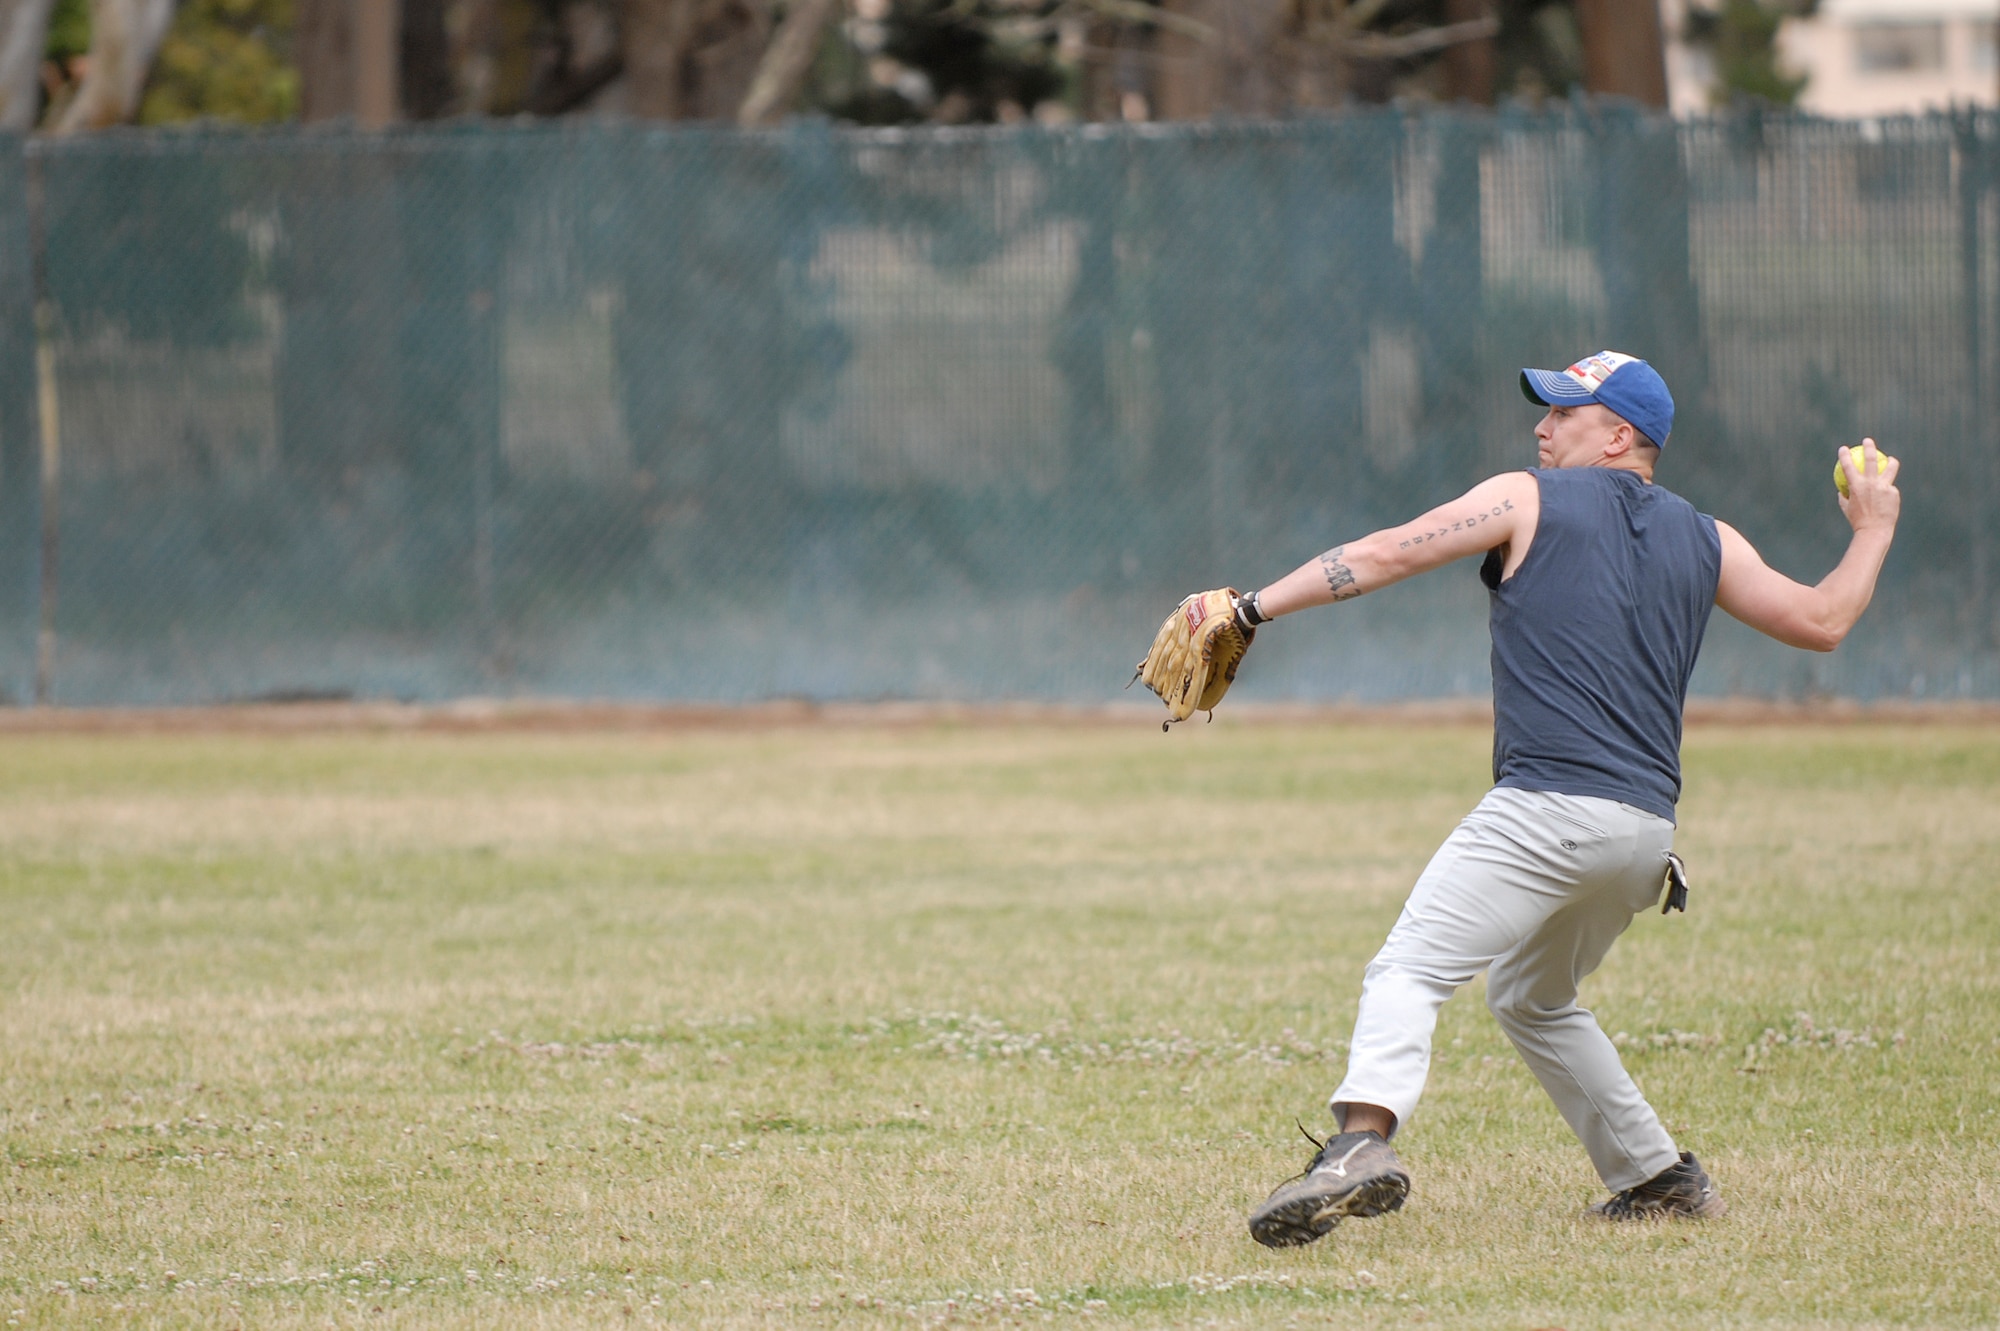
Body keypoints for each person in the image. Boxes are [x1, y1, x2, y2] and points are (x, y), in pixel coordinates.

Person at [1229, 350, 1902, 1247]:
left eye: (1563, 414)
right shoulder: (1711, 537)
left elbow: (1389, 551)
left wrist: (1248, 610)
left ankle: (1358, 1144)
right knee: (1534, 995)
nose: (1542, 428)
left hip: (1546, 807)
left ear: (1620, 434)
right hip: (1642, 836)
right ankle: (1657, 1176)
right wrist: (1875, 527)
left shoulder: (1525, 497)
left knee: (1407, 968)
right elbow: (1822, 621)